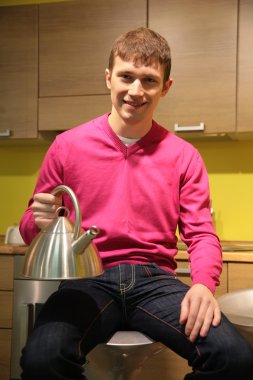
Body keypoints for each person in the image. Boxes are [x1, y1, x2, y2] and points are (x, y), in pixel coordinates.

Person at [19, 27, 253, 380]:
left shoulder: (184, 156)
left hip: (156, 281)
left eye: (149, 80)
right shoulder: (67, 146)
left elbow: (202, 233)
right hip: (89, 279)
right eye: (126, 76)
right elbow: (27, 230)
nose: (136, 90)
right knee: (41, 358)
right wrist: (40, 222)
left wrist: (204, 284)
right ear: (109, 77)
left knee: (235, 358)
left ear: (166, 87)